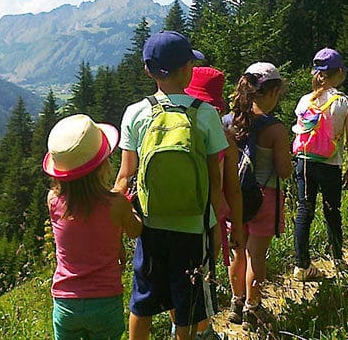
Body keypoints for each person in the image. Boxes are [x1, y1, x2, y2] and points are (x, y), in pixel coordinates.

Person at [115, 31, 228, 340]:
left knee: (142, 304)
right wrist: (213, 225)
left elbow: (125, 177)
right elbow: (214, 181)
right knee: (189, 305)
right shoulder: (205, 114)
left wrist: (115, 226)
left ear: (148, 70)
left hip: (149, 228)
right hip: (193, 229)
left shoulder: (136, 113)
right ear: (188, 69)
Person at [43, 114, 142, 340]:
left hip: (65, 302)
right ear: (102, 165)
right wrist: (132, 208)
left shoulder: (53, 200)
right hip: (105, 301)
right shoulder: (116, 204)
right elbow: (135, 230)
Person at [224, 62, 292, 332]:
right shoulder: (274, 128)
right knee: (256, 256)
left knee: (237, 253)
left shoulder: (229, 121)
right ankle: (254, 309)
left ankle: (235, 302)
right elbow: (284, 172)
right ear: (271, 92)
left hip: (234, 197)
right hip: (265, 197)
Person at [182, 66, 244, 339]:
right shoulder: (224, 138)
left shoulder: (173, 124)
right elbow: (233, 191)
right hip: (207, 222)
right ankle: (204, 333)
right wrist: (237, 227)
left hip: (165, 220)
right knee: (202, 282)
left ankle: (182, 329)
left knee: (179, 285)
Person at [292, 48, 348, 279]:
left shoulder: (303, 101)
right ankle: (338, 259)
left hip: (305, 161)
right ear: (339, 73)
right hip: (331, 162)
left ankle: (301, 264)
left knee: (304, 210)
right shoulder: (346, 103)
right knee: (332, 211)